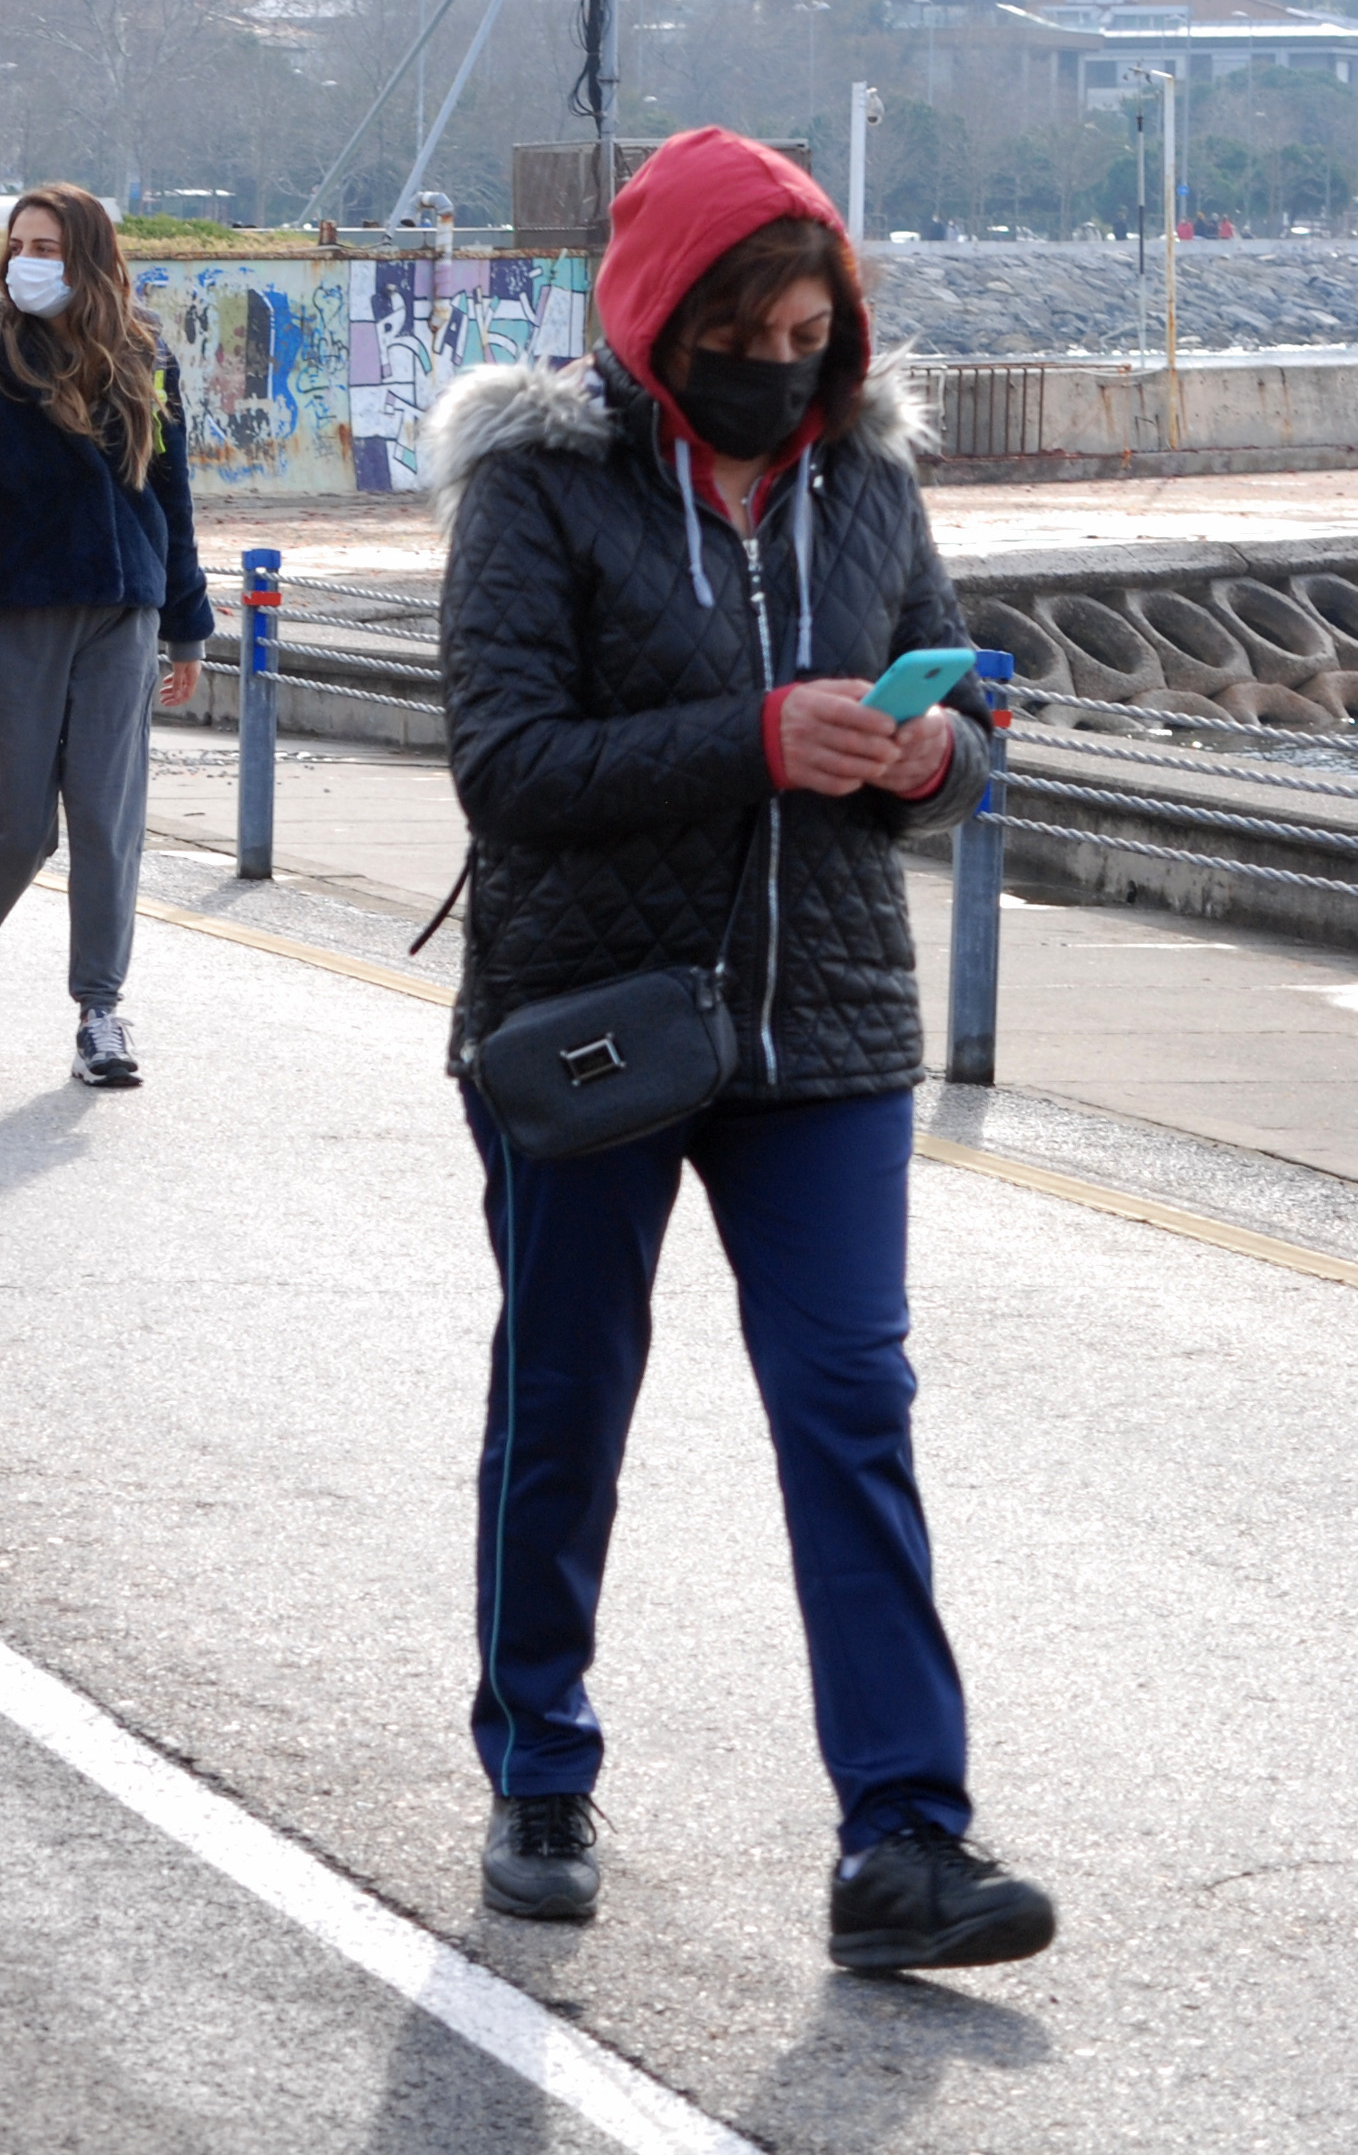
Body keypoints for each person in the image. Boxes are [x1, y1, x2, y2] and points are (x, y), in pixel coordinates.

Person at [426, 124, 1054, 1971]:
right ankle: (536, 1763)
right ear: (660, 318)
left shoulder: (861, 474)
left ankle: (902, 1838)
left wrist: (930, 754)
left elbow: (947, 691)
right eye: (752, 324)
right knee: (564, 1396)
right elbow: (504, 762)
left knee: (850, 1409)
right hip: (592, 1018)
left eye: (812, 326)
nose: (784, 359)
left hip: (828, 1024)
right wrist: (752, 737)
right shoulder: (535, 489)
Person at [0, 183, 211, 1089]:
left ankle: (100, 1011)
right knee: (20, 829)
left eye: (49, 248)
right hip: (9, 615)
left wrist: (187, 626)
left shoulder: (144, 354)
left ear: (92, 258)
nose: (28, 264)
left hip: (123, 612)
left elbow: (172, 497)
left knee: (110, 824)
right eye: (18, 247)